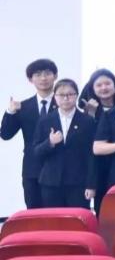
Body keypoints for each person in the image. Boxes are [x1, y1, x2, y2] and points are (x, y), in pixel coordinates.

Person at [3, 58, 59, 208]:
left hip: (58, 168)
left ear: (55, 76)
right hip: (32, 169)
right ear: (30, 79)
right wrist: (10, 112)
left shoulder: (65, 104)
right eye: (38, 74)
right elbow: (5, 134)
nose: (43, 78)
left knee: (57, 214)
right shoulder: (23, 106)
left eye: (47, 73)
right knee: (34, 212)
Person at [32, 78, 95, 208]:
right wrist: (50, 142)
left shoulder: (87, 121)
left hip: (78, 183)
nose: (66, 98)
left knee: (77, 218)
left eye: (70, 94)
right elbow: (36, 152)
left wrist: (91, 184)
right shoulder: (45, 120)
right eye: (61, 95)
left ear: (76, 95)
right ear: (55, 97)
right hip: (51, 182)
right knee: (53, 219)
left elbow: (92, 155)